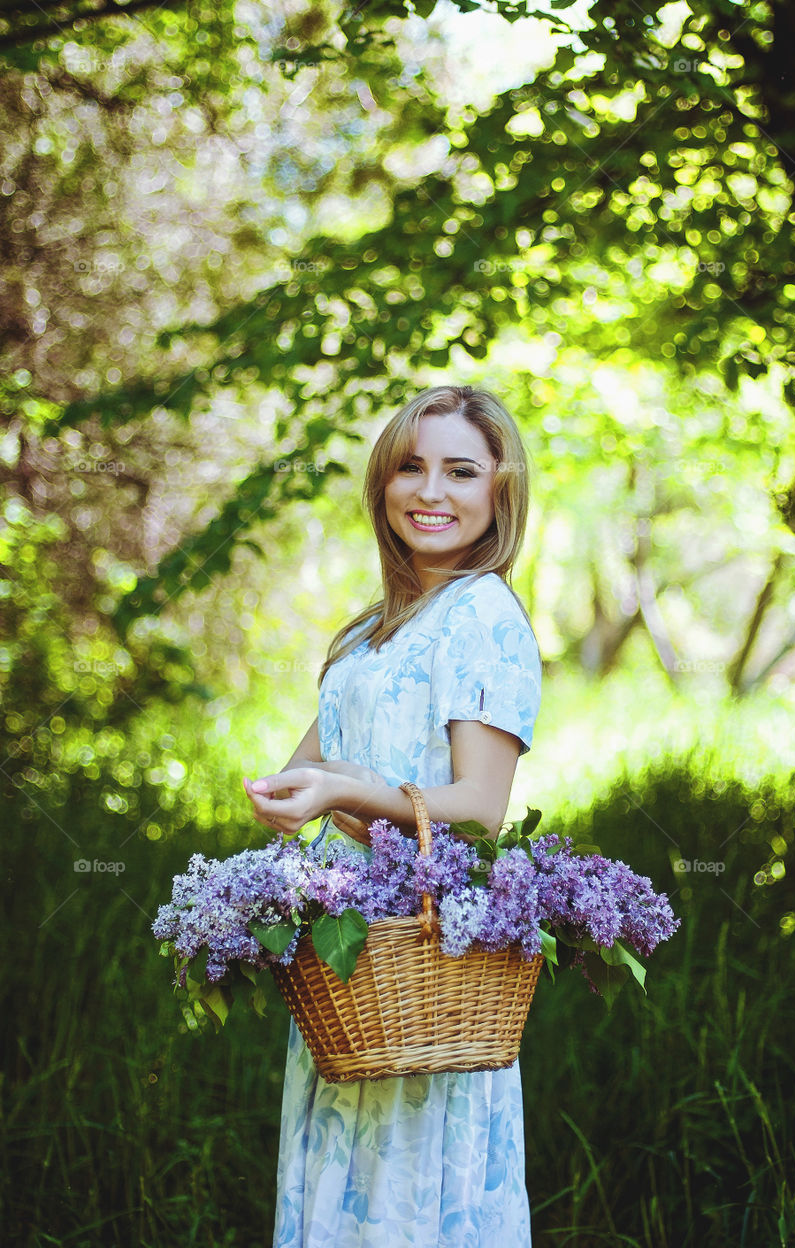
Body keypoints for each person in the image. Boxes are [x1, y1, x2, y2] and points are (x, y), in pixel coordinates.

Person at [243, 384, 542, 1248]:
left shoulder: (481, 613)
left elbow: (480, 810)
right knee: (344, 1178)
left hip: (426, 968)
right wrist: (284, 802)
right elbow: (309, 771)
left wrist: (341, 794)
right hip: (354, 969)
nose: (430, 492)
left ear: (499, 491)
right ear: (382, 484)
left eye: (460, 470)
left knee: (412, 1198)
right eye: (409, 468)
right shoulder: (373, 628)